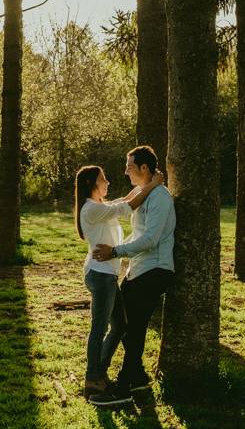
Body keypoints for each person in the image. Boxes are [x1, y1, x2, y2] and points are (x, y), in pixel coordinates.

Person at [87, 145, 175, 407]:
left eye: (129, 166)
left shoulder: (160, 197)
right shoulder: (143, 192)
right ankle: (137, 379)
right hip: (137, 269)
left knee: (133, 329)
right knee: (125, 327)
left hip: (155, 269)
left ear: (144, 168)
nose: (125, 171)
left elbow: (150, 239)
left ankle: (123, 387)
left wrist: (116, 251)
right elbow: (127, 215)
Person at [75, 164, 163, 405]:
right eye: (103, 179)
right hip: (101, 276)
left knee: (120, 325)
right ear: (92, 183)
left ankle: (99, 371)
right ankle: (93, 378)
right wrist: (153, 185)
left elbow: (125, 199)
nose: (108, 182)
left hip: (108, 275)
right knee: (100, 327)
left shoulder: (99, 206)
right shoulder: (91, 209)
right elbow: (129, 205)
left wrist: (145, 185)